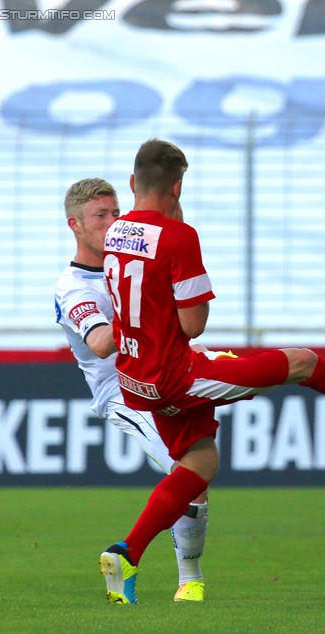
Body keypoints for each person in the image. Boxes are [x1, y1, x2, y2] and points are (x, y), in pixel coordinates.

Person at [101, 138, 325, 604]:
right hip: (176, 374)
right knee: (301, 361)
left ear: (133, 181)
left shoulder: (115, 232)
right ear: (178, 187)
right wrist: (178, 231)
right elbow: (193, 323)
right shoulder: (181, 236)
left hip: (135, 380)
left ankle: (129, 551)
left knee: (201, 462)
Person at [55, 177, 227, 603]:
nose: (113, 221)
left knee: (283, 370)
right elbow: (97, 343)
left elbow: (173, 236)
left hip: (166, 371)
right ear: (75, 225)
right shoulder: (74, 285)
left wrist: (173, 195)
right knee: (192, 469)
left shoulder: (129, 253)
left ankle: (179, 577)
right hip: (122, 389)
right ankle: (186, 578)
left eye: (116, 211)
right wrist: (140, 309)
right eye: (101, 215)